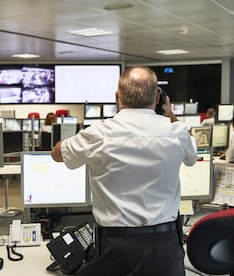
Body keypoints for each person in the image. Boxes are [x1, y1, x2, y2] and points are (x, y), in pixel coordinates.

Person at [51, 66, 198, 276]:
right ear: (158, 97)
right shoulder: (177, 132)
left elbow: (57, 154)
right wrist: (170, 114)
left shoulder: (97, 134)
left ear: (117, 97)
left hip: (116, 247)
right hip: (165, 247)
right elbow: (192, 157)